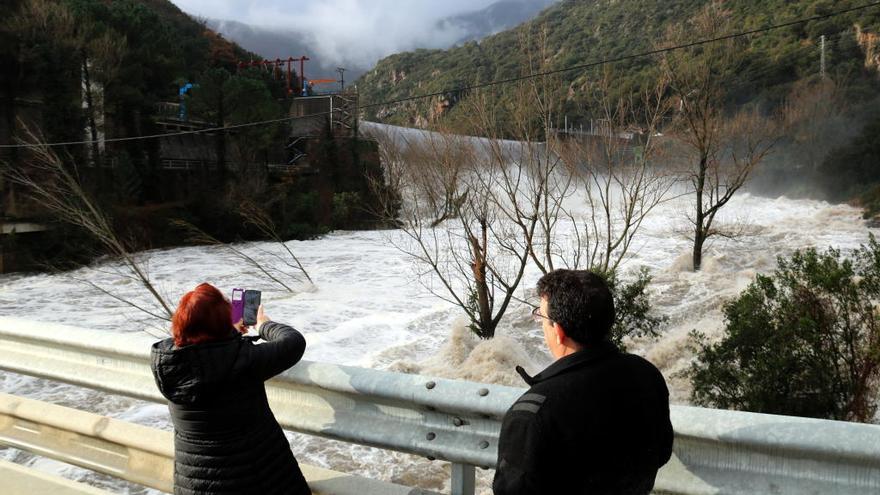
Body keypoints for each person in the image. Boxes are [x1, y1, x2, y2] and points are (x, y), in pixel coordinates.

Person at [493, 270, 673, 494]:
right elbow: (662, 452)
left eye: (541, 315)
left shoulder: (534, 413)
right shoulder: (646, 374)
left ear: (558, 331)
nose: (540, 322)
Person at [151, 283, 310, 495]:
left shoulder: (169, 363)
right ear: (220, 322)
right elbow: (293, 342)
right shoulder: (244, 361)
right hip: (255, 480)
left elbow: (206, 354)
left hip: (196, 484)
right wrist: (263, 325)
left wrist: (230, 333)